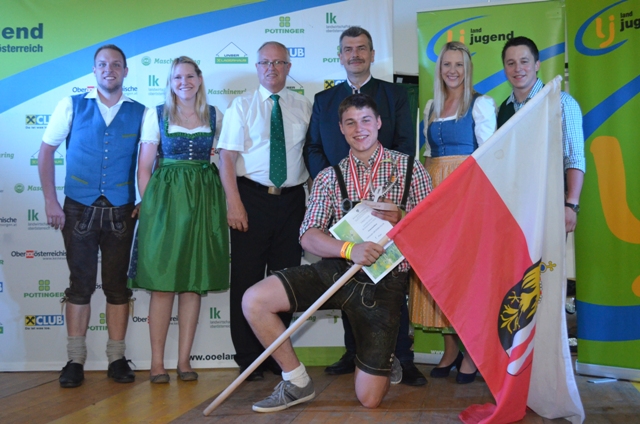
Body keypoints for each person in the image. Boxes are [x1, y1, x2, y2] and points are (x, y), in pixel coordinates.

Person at [243, 93, 432, 413]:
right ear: (341, 129)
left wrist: (403, 217)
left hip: (385, 286)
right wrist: (349, 249)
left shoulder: (411, 169)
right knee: (254, 300)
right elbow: (308, 236)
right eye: (350, 123)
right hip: (337, 272)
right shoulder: (329, 177)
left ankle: (384, 357)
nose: (359, 129)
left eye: (366, 120)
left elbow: (435, 229)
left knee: (369, 399)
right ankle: (296, 380)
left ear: (379, 123)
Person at [304, 26, 425, 386]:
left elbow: (405, 141)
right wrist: (334, 183)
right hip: (342, 200)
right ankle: (354, 352)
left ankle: (402, 356)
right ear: (340, 56)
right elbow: (314, 147)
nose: (354, 54)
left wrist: (391, 193)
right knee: (348, 278)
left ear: (372, 54)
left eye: (361, 48)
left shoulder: (394, 94)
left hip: (388, 201)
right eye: (348, 49)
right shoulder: (325, 100)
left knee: (392, 280)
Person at [38, 44, 157, 388]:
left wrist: (146, 202)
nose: (109, 70)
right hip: (77, 208)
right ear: (94, 70)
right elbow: (45, 153)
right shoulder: (71, 105)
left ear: (125, 71)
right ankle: (74, 360)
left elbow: (149, 163)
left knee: (118, 287)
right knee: (80, 285)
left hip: (122, 209)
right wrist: (50, 201)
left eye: (116, 65)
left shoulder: (142, 112)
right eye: (103, 64)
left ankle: (117, 358)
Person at [128, 56, 229, 383]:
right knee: (162, 286)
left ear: (199, 79)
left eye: (189, 76)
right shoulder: (156, 114)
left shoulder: (215, 115)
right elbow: (144, 167)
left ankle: (184, 361)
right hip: (166, 202)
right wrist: (150, 206)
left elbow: (226, 161)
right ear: (170, 83)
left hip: (203, 201)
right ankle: (157, 363)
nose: (184, 82)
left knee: (192, 285)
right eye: (177, 77)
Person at [217, 41, 312, 381]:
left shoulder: (304, 106)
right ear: (257, 68)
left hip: (292, 201)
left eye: (279, 62)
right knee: (246, 277)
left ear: (288, 67)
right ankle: (248, 358)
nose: (272, 68)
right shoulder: (241, 106)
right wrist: (234, 204)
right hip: (251, 198)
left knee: (285, 280)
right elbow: (226, 159)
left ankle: (277, 354)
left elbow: (310, 157)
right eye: (265, 63)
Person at [409, 41, 496, 384]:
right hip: (433, 192)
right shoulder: (432, 105)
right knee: (439, 271)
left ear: (468, 68)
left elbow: (489, 155)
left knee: (465, 273)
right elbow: (428, 154)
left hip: (466, 192)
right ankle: (450, 349)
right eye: (447, 64)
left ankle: (472, 352)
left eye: (459, 64)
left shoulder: (481, 103)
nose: (453, 70)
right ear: (440, 69)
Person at [497, 36, 585, 233]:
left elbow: (574, 157)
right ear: (504, 69)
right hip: (512, 209)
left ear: (537, 64)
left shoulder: (562, 103)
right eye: (511, 63)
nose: (518, 68)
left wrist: (572, 204)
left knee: (547, 256)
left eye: (524, 61)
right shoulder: (503, 110)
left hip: (551, 205)